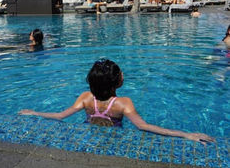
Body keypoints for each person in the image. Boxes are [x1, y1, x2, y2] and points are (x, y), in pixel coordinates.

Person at [19, 59, 214, 145]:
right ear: (117, 82)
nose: (123, 74)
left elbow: (60, 116)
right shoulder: (123, 103)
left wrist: (35, 113)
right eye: (120, 74)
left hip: (89, 136)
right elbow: (144, 126)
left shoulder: (86, 98)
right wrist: (185, 135)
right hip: (114, 139)